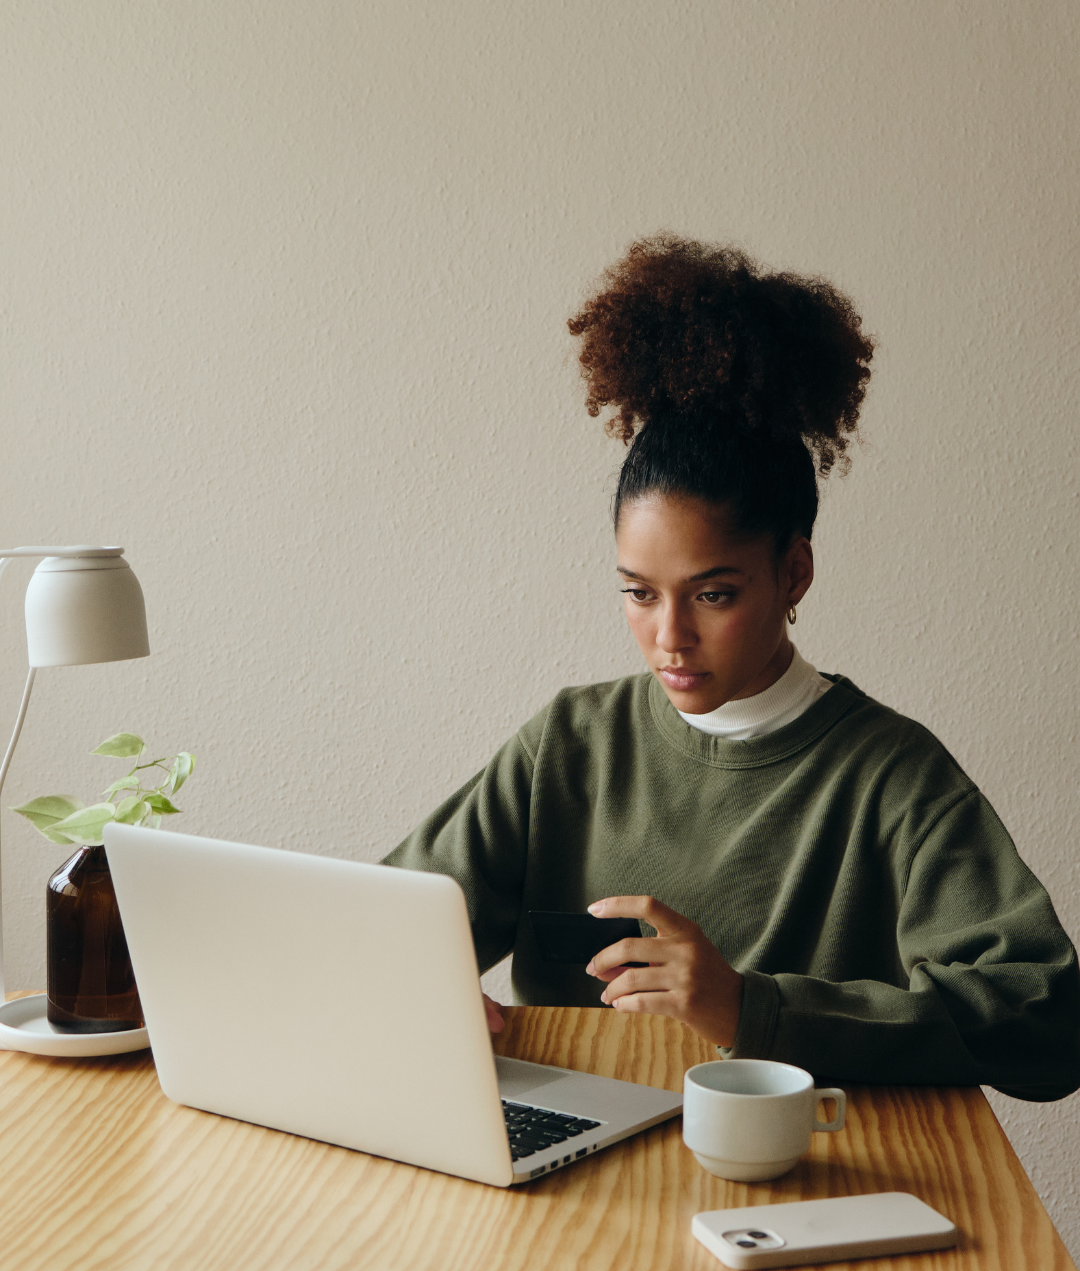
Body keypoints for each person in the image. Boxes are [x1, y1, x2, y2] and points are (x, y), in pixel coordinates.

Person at [384, 234, 1080, 1102]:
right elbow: (388, 922)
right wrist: (419, 983)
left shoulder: (892, 778)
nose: (669, 636)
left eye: (711, 595)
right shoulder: (568, 744)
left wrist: (752, 1009)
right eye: (639, 594)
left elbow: (1044, 1017)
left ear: (794, 572)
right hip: (566, 1162)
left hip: (796, 1175)